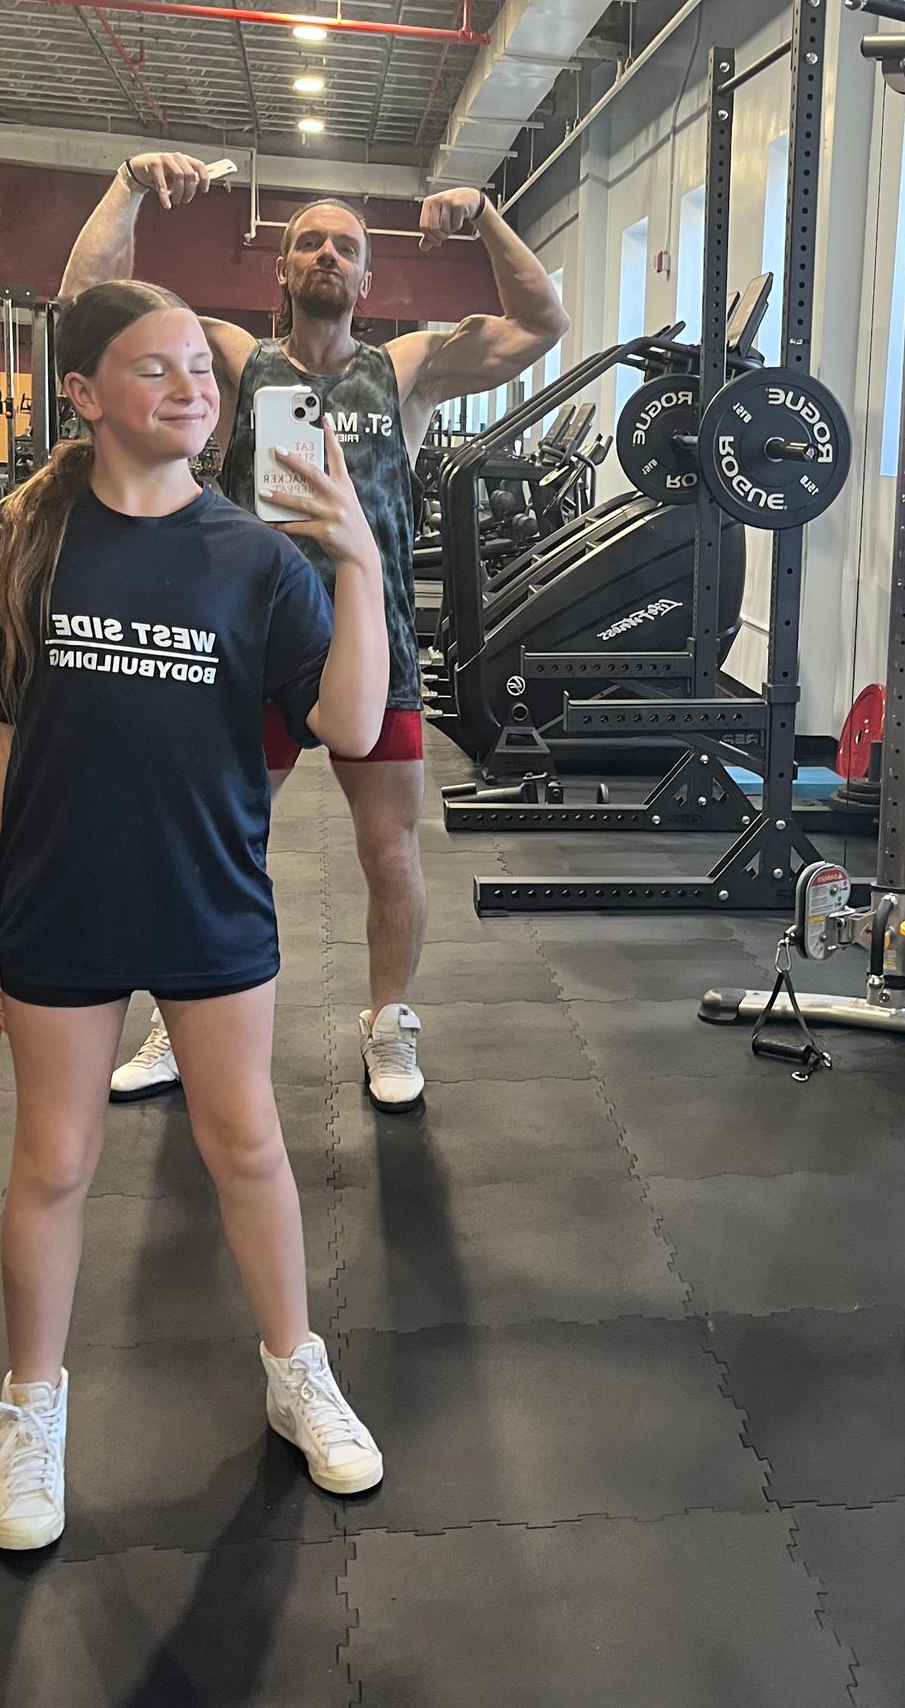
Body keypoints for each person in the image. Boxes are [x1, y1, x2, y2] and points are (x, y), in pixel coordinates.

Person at [0, 279, 389, 1553]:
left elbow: (351, 724)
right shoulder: (21, 541)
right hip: (59, 900)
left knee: (248, 1148)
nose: (195, 387)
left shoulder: (256, 557)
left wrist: (355, 555)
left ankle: (296, 1369)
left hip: (208, 896)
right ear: (80, 393)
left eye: (203, 366)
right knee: (55, 1163)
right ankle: (32, 1414)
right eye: (156, 369)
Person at [59, 159, 568, 1116]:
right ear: (281, 273)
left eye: (346, 246)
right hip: (249, 640)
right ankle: (185, 1010)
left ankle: (388, 1022)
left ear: (367, 280)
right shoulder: (234, 361)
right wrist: (128, 186)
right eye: (308, 243)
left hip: (375, 644)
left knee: (390, 850)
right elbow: (89, 304)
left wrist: (489, 217)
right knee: (211, 844)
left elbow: (543, 326)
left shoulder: (408, 367)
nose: (326, 254)